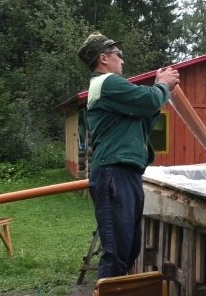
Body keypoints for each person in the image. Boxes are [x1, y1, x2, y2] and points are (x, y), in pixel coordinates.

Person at [77, 32, 180, 280]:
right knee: (116, 252)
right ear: (104, 58)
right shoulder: (107, 83)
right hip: (114, 172)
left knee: (130, 247)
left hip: (126, 173)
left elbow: (145, 113)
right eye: (118, 54)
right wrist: (162, 85)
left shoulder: (113, 89)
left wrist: (160, 93)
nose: (122, 60)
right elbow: (147, 101)